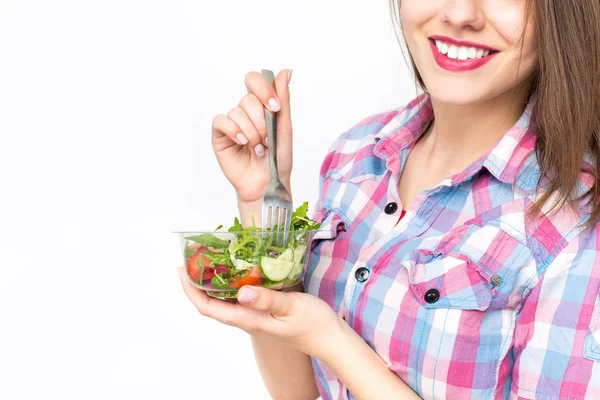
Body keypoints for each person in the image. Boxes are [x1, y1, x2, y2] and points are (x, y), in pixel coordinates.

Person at [178, 0, 600, 398]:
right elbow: (300, 393)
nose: (459, 13)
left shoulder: (575, 220)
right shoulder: (356, 156)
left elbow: (322, 341)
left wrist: (332, 340)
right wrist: (263, 199)